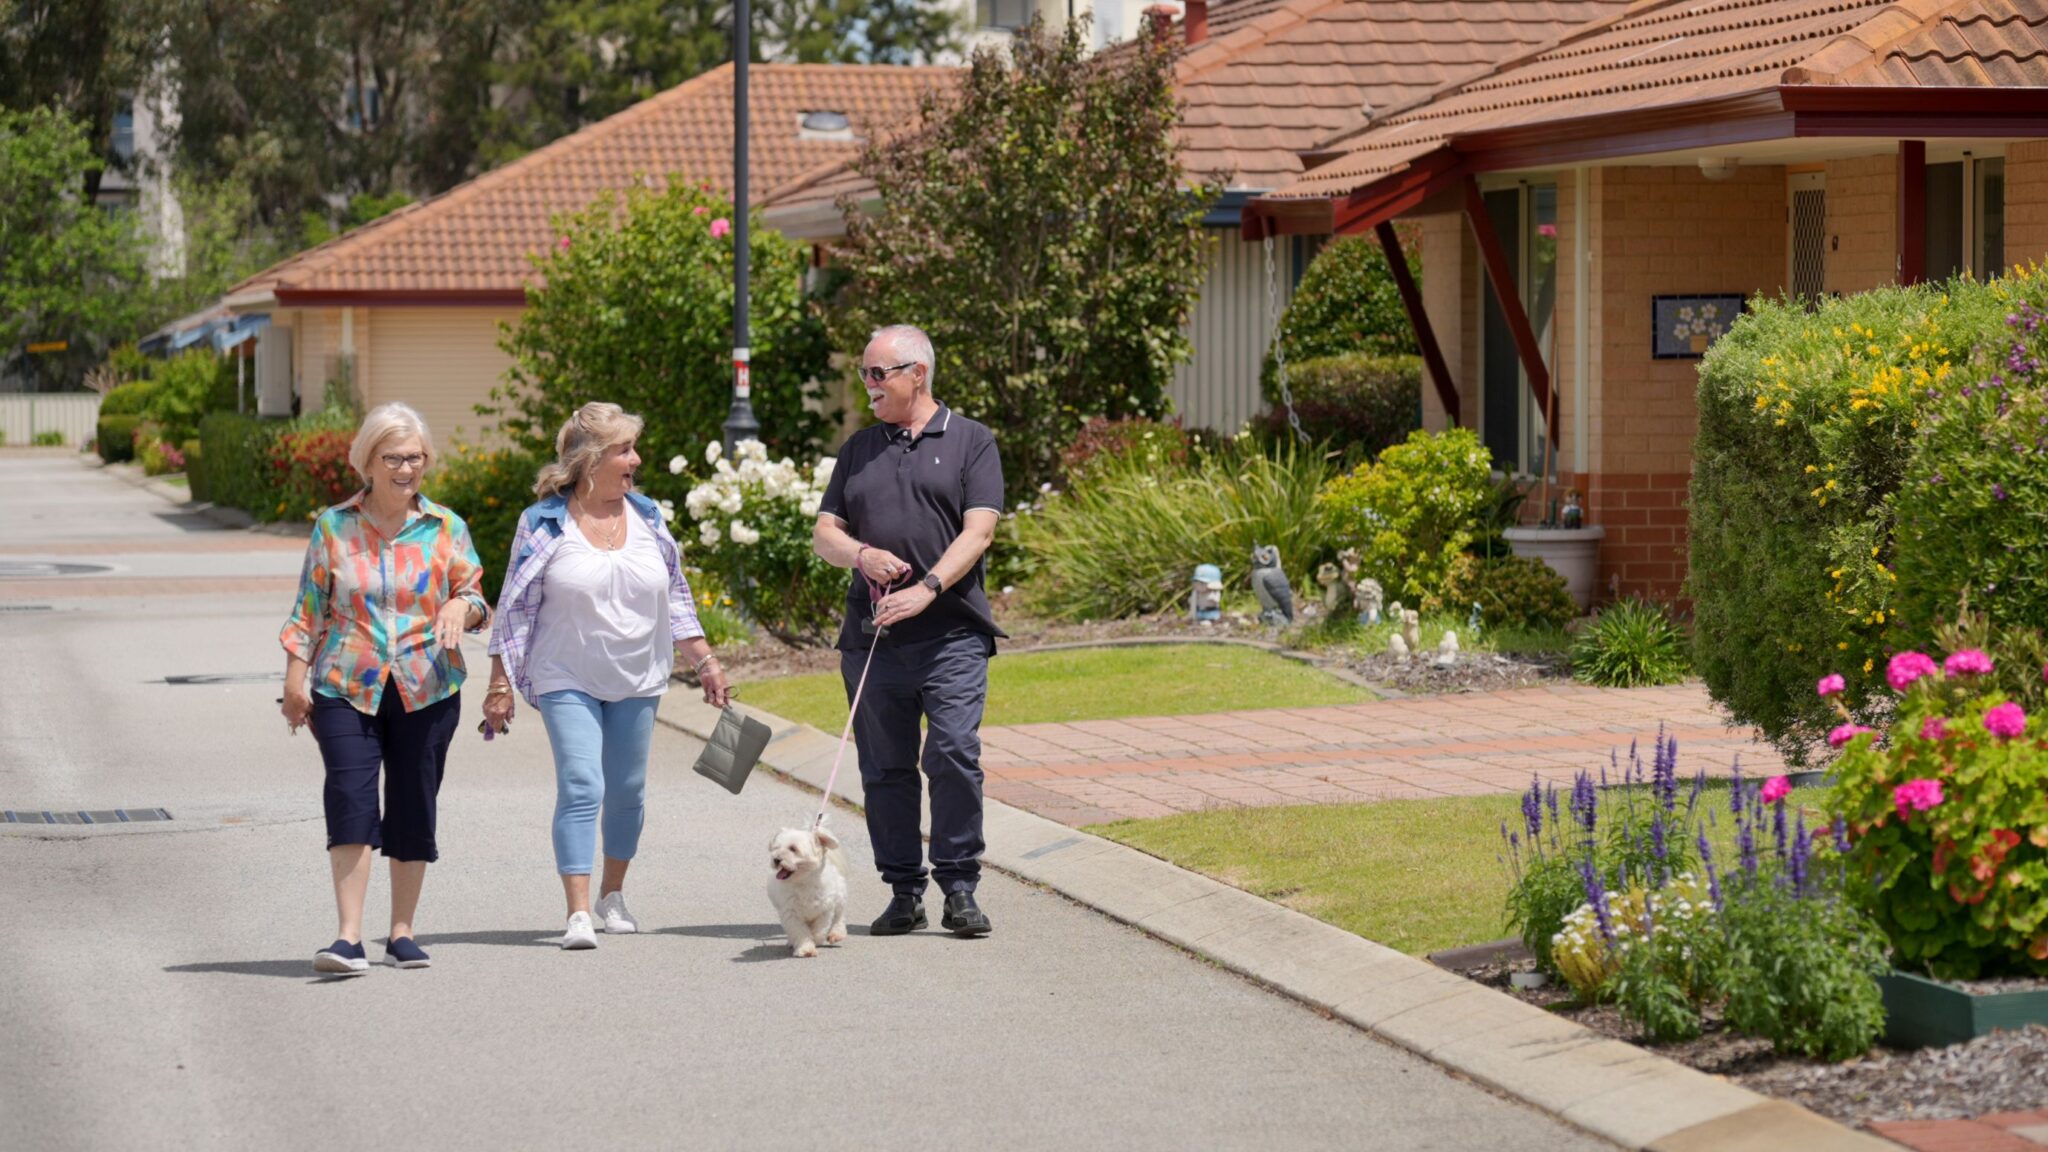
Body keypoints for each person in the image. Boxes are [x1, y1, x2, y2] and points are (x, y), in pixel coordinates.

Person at [483, 402, 731, 950]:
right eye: (624, 450)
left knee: (627, 791)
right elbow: (513, 606)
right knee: (582, 783)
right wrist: (499, 683)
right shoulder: (542, 522)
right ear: (590, 461)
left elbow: (678, 598)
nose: (635, 459)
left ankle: (612, 895)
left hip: (639, 674)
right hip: (564, 673)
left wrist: (706, 663)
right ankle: (576, 912)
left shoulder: (648, 517)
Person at [279, 402, 491, 975]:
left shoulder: (447, 527)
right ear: (366, 462)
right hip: (346, 684)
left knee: (412, 804)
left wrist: (458, 607)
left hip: (428, 685)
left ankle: (401, 933)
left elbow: (475, 597)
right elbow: (309, 611)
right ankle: (348, 938)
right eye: (393, 457)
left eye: (415, 458)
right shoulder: (334, 526)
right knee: (349, 797)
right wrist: (295, 681)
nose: (406, 468)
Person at [811, 325, 1004, 938]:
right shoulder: (858, 448)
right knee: (885, 768)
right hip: (873, 641)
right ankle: (902, 890)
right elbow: (825, 535)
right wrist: (861, 554)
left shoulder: (972, 440)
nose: (867, 384)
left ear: (916, 372)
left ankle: (960, 887)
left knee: (952, 752)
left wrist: (928, 589)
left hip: (952, 635)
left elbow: (978, 532)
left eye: (878, 373)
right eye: (865, 373)